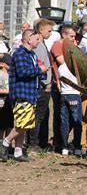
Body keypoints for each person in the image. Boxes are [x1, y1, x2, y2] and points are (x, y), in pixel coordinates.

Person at [2, 29, 48, 162]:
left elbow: (37, 71)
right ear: (29, 39)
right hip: (22, 93)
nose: (39, 41)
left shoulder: (32, 55)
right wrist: (40, 70)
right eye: (37, 39)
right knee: (23, 124)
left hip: (31, 93)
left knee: (25, 124)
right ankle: (5, 143)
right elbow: (23, 72)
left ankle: (18, 151)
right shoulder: (20, 54)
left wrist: (42, 71)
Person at [51, 26, 83, 156]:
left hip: (63, 92)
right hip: (72, 94)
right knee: (76, 122)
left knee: (65, 120)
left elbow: (58, 79)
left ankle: (63, 146)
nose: (73, 39)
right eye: (71, 36)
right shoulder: (72, 65)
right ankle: (75, 146)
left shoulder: (62, 67)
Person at [28, 19, 54, 152]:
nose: (51, 33)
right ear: (41, 30)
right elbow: (39, 64)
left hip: (44, 85)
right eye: (49, 30)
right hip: (42, 86)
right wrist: (46, 83)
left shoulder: (42, 44)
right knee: (37, 116)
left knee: (41, 115)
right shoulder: (39, 45)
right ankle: (33, 143)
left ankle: (37, 142)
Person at [0, 54, 13, 145]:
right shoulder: (1, 75)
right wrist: (7, 91)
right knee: (1, 127)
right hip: (1, 105)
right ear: (2, 64)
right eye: (9, 64)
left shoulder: (11, 76)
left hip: (9, 104)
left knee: (9, 125)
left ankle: (7, 145)